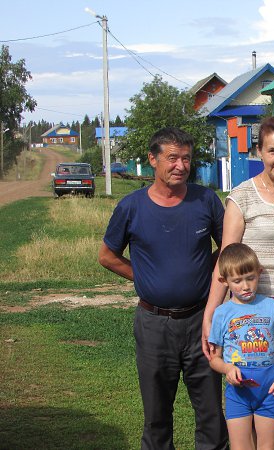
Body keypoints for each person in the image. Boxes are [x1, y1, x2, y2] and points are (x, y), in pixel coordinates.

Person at [98, 127, 228, 450]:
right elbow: (107, 256)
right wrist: (142, 277)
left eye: (186, 158)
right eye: (172, 158)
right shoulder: (131, 207)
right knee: (156, 416)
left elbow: (229, 247)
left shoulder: (206, 200)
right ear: (152, 160)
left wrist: (206, 273)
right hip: (154, 325)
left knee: (211, 412)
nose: (180, 166)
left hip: (202, 320)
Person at [202, 116, 274, 450]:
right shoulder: (242, 196)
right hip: (251, 307)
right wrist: (211, 313)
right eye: (272, 151)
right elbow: (225, 261)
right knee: (250, 386)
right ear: (259, 152)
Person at [208, 243, 274, 450]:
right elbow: (214, 358)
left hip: (269, 389)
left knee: (268, 447)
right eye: (237, 281)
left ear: (259, 273)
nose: (245, 286)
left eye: (250, 278)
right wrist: (228, 368)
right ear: (223, 281)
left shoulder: (271, 307)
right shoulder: (221, 313)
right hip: (237, 393)